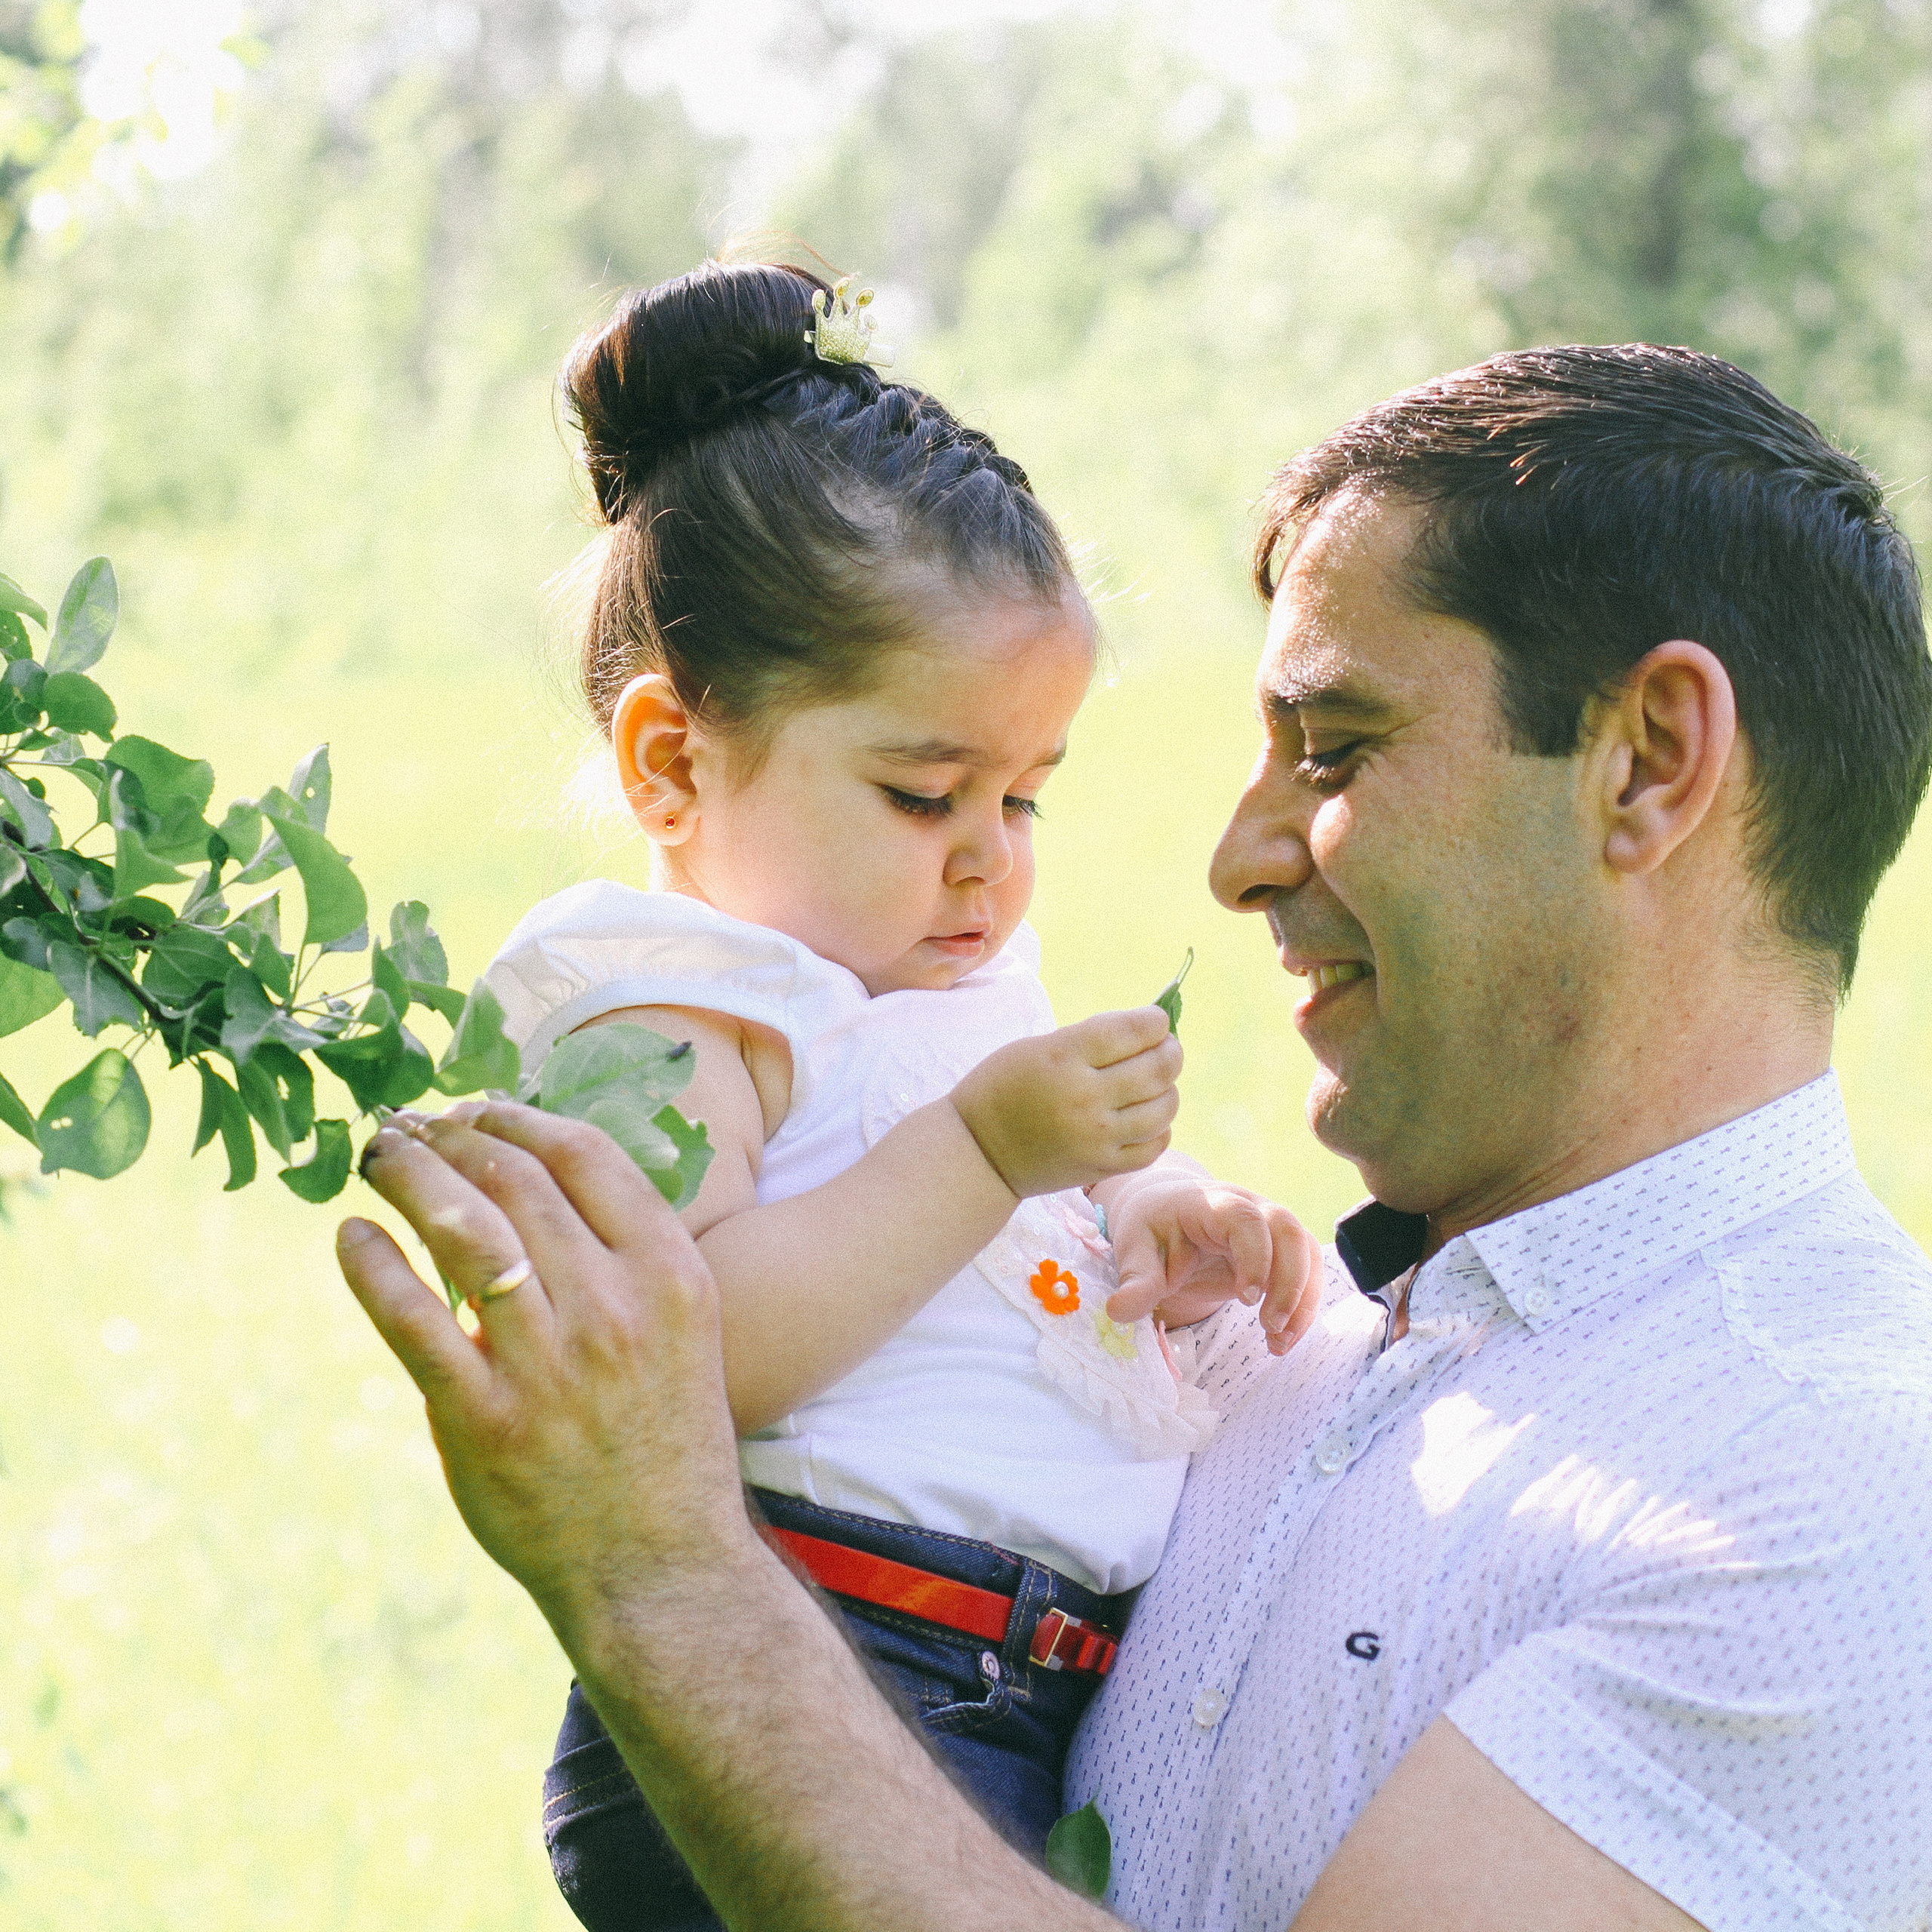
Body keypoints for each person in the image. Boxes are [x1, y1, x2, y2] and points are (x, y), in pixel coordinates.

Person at [340, 343, 1932, 1930]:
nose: (1235, 859)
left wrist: (666, 1579)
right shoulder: (1280, 1348)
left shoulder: (1832, 1498)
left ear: (1647, 761)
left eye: (1336, 746)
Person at [466, 257, 1321, 1929]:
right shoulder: (660, 991)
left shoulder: (945, 972)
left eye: (1022, 798)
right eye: (926, 790)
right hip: (821, 1668)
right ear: (670, 762)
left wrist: (1146, 1210)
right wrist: (993, 1142)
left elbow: (1006, 1236)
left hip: (1018, 1687)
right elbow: (694, 1343)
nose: (987, 861)